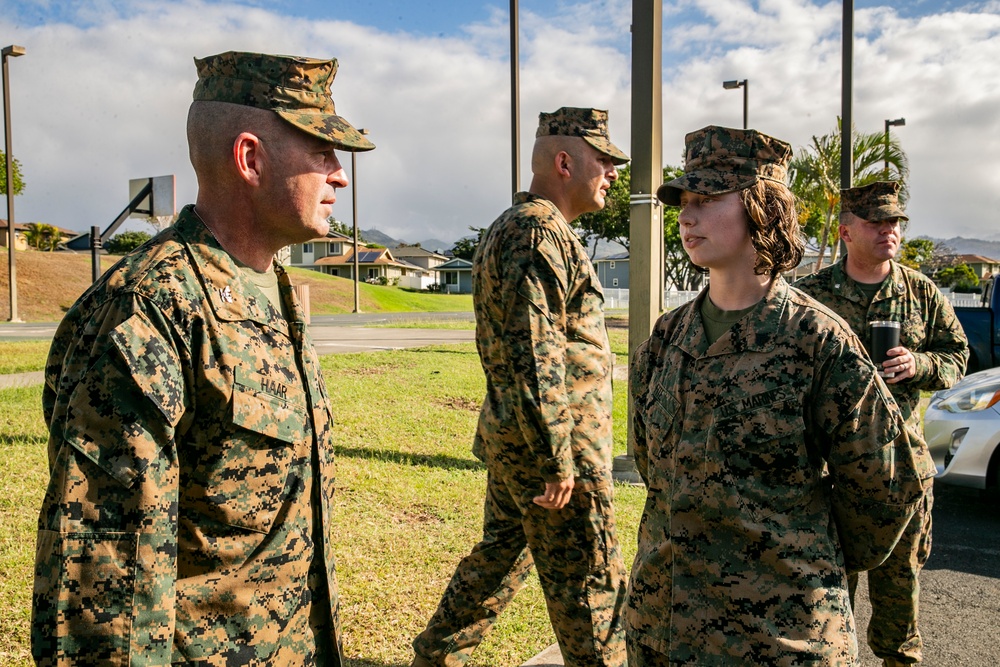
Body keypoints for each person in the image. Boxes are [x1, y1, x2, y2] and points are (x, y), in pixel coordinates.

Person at [31, 51, 374, 666]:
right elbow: (103, 562)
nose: (339, 175)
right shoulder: (149, 306)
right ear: (250, 158)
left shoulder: (274, 290)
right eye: (322, 152)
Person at [626, 126, 927, 666]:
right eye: (684, 202)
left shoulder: (818, 339)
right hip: (663, 628)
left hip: (780, 639)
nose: (687, 216)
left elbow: (886, 491)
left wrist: (803, 556)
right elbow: (654, 467)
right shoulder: (667, 338)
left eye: (707, 198)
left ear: (761, 209)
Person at [410, 107, 630, 667]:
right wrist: (558, 459)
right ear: (564, 162)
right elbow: (535, 355)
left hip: (522, 443)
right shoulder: (537, 232)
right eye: (603, 161)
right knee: (593, 589)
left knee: (499, 561)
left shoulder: (525, 228)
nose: (612, 173)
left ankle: (436, 656)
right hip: (557, 453)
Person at [796, 180, 968, 666]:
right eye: (876, 222)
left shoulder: (921, 291)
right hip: (832, 473)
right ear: (847, 232)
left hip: (900, 469)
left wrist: (920, 364)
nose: (888, 230)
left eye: (894, 222)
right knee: (827, 599)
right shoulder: (812, 294)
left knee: (900, 598)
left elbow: (957, 355)